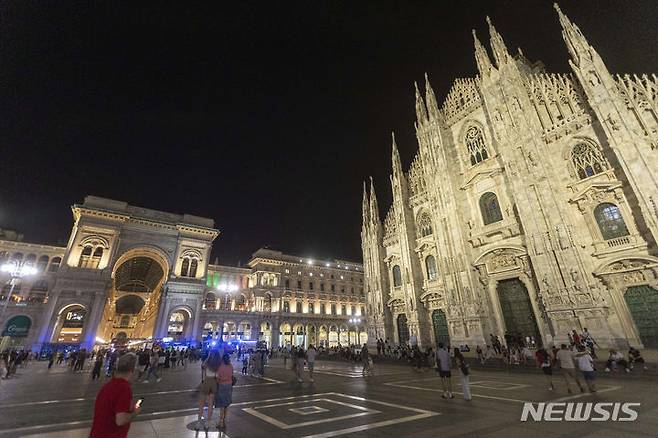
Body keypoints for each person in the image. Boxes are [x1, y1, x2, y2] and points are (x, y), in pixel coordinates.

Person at [89, 353, 141, 438]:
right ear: (133, 369)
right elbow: (120, 420)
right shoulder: (124, 388)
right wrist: (135, 412)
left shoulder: (108, 385)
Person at [196, 350, 221, 430]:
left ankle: (198, 422)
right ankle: (208, 422)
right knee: (210, 404)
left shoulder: (206, 363)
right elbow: (218, 377)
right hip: (213, 382)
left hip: (206, 382)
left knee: (201, 404)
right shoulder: (217, 364)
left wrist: (208, 357)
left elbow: (202, 367)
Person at [215, 353, 234, 429]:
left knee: (222, 405)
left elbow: (217, 377)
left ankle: (221, 422)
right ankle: (224, 421)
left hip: (221, 385)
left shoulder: (220, 367)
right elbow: (232, 375)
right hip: (229, 386)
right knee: (226, 404)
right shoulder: (230, 366)